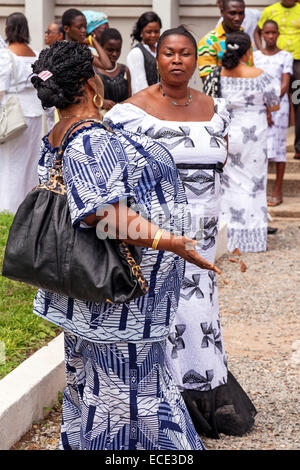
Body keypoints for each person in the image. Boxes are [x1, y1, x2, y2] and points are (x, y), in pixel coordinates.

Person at [30, 40, 219, 450]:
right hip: (122, 307)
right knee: (135, 402)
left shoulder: (67, 132)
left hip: (92, 304)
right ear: (88, 83)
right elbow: (102, 213)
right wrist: (168, 241)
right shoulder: (89, 140)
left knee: (91, 391)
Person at [105, 25, 257, 439]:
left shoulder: (215, 108)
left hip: (204, 236)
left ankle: (201, 399)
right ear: (156, 56)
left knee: (200, 313)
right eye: (168, 53)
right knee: (167, 314)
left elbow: (229, 165)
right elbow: (116, 174)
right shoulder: (130, 112)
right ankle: (160, 409)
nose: (176, 60)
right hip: (158, 236)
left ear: (195, 58)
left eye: (185, 53)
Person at [204, 31, 280, 252]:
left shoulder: (215, 74)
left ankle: (228, 237)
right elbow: (274, 104)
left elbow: (209, 103)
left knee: (228, 184)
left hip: (226, 133)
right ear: (249, 52)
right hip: (254, 136)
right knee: (254, 184)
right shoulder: (260, 76)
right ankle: (251, 239)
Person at [0, 12, 43, 214]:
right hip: (35, 118)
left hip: (12, 118)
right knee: (29, 168)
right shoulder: (36, 55)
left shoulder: (5, 56)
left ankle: (7, 212)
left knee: (9, 169)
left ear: (7, 29)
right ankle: (26, 213)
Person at [254, 0, 300, 160]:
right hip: (274, 62)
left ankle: (298, 147)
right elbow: (256, 30)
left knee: (298, 100)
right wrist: (261, 51)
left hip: (297, 63)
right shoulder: (270, 10)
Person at [254, 20, 293, 206]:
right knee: (259, 149)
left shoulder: (286, 56)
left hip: (279, 107)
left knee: (278, 149)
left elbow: (284, 84)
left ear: (278, 34)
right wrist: (264, 106)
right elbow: (254, 83)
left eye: (273, 33)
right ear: (262, 34)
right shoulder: (255, 57)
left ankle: (278, 190)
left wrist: (271, 106)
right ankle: (259, 190)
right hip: (258, 107)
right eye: (267, 33)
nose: (270, 37)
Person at [198, 0, 253, 83]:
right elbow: (208, 80)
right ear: (222, 12)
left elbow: (251, 70)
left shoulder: (246, 40)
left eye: (241, 13)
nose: (237, 18)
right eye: (232, 13)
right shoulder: (208, 42)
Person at [96, 28, 131, 113]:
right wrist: (102, 102)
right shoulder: (93, 71)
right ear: (101, 48)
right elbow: (86, 99)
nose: (114, 54)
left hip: (122, 120)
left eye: (118, 50)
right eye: (110, 50)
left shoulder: (125, 70)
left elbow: (130, 98)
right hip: (100, 120)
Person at [127, 11, 161, 94]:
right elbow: (139, 87)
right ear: (141, 32)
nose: (153, 35)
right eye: (149, 32)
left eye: (156, 31)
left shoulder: (161, 49)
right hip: (147, 101)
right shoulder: (136, 53)